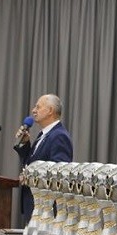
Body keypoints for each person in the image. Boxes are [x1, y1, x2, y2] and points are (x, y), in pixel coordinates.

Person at [14, 94, 74, 226]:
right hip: (36, 207)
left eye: (38, 107)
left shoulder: (59, 136)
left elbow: (59, 174)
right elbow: (31, 163)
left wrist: (29, 177)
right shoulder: (44, 134)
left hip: (46, 211)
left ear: (50, 110)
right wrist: (24, 143)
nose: (33, 110)